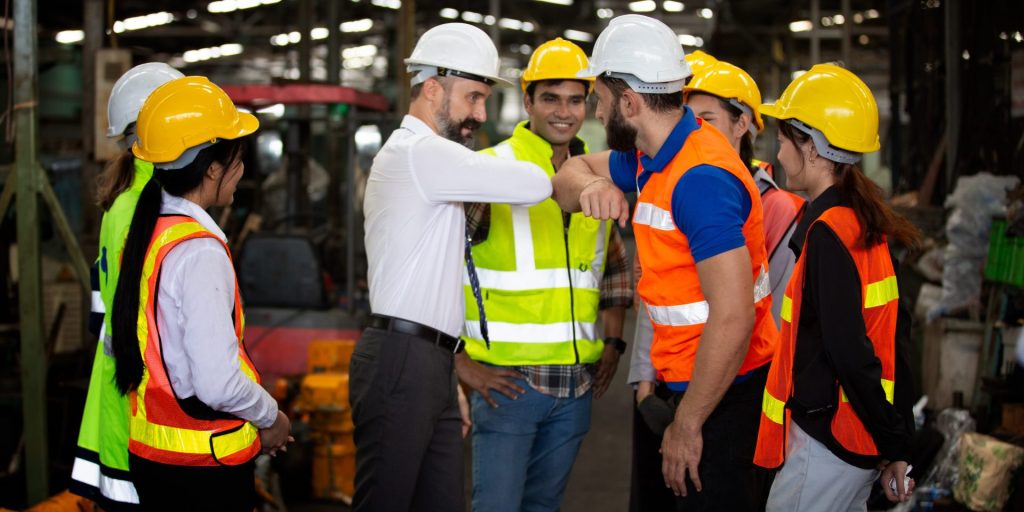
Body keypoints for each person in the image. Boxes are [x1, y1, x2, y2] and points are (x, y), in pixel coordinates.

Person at [551, 14, 779, 511]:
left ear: (629, 103)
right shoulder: (651, 154)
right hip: (693, 383)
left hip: (724, 397)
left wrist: (688, 423)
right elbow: (567, 172)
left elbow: (735, 316)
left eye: (601, 100)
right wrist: (592, 186)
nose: (595, 109)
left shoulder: (700, 179)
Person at [350, 23, 552, 512]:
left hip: (431, 361)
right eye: (473, 98)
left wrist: (447, 376)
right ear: (434, 87)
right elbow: (534, 183)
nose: (479, 115)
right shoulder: (419, 153)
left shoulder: (432, 161)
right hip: (403, 358)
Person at [453, 37, 632, 512]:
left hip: (576, 387)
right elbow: (438, 269)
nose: (564, 112)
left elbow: (613, 265)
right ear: (527, 100)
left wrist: (613, 343)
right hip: (510, 385)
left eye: (575, 99)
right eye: (550, 98)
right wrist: (458, 363)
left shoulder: (600, 174)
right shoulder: (490, 170)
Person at [110, 76, 292, 511]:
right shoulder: (198, 250)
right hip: (203, 471)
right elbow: (217, 383)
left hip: (155, 460)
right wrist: (272, 416)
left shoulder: (150, 235)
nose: (242, 169)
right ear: (212, 168)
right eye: (237, 157)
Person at [752, 63, 919, 511]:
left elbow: (850, 354)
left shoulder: (829, 232)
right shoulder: (862, 222)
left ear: (814, 147)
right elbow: (898, 339)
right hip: (857, 440)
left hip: (829, 443)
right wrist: (896, 440)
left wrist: (895, 442)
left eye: (785, 140)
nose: (780, 154)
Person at [70, 62, 183, 510]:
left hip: (118, 394)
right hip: (139, 408)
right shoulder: (150, 209)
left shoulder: (120, 203)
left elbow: (101, 316)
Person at [684, 60, 806, 326]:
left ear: (741, 124)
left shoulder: (776, 208)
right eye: (690, 121)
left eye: (707, 120)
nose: (695, 131)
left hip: (749, 362)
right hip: (684, 360)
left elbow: (776, 313)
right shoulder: (683, 195)